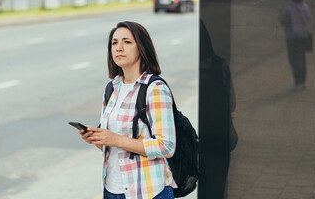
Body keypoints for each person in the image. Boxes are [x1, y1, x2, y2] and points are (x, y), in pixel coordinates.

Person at [79, 21, 176, 199]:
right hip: (112, 190)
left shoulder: (154, 88)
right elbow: (113, 147)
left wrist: (116, 139)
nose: (119, 48)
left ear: (142, 48)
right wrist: (97, 139)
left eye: (127, 42)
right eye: (114, 43)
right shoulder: (112, 88)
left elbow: (166, 146)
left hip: (148, 191)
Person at [198, 19, 236, 199]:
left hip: (194, 140)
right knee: (217, 187)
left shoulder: (190, 69)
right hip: (219, 137)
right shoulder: (220, 65)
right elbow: (232, 103)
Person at [279, 0, 312, 91]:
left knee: (294, 60)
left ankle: (297, 82)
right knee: (302, 59)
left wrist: (281, 15)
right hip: (303, 37)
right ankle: (302, 82)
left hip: (292, 38)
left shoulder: (290, 8)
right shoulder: (305, 7)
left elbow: (284, 22)